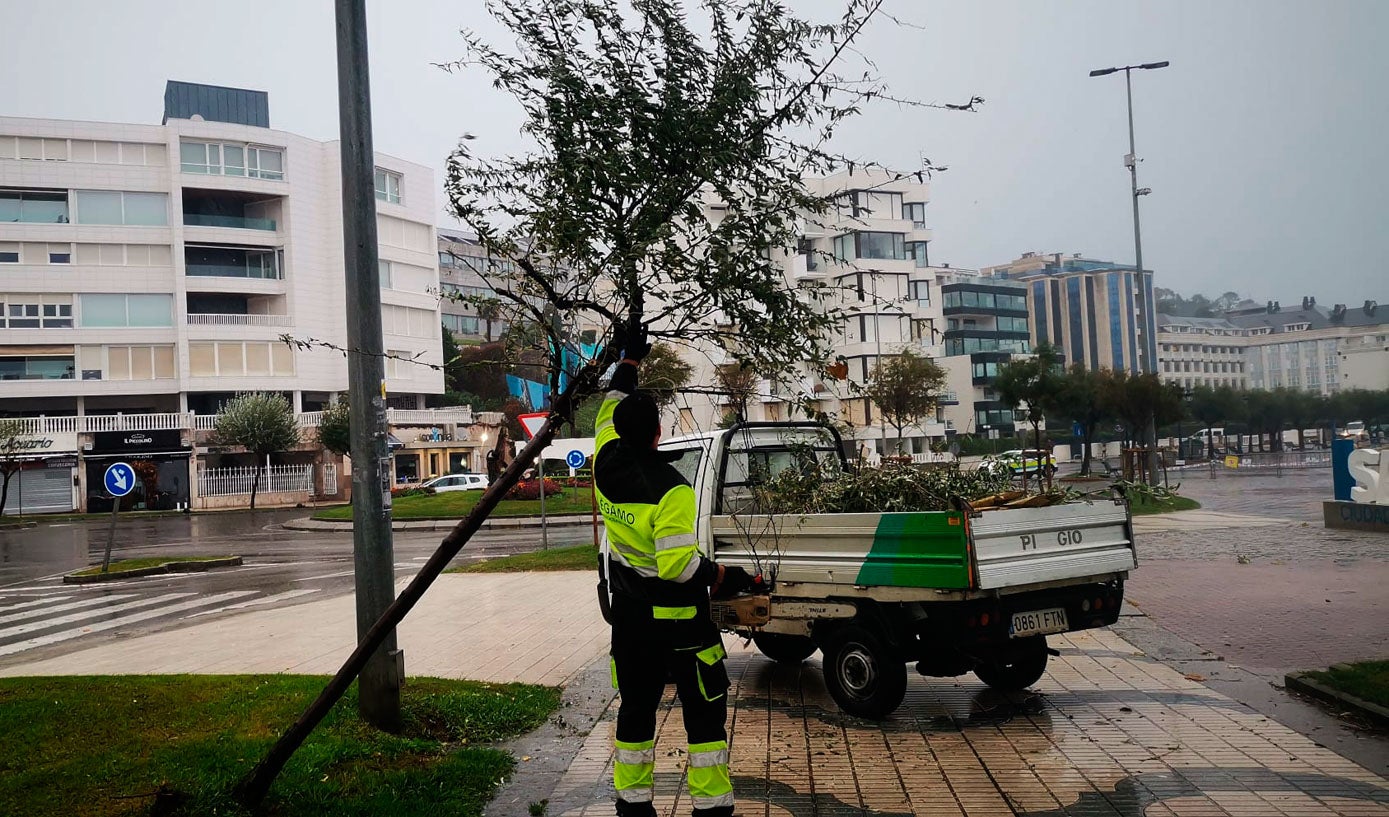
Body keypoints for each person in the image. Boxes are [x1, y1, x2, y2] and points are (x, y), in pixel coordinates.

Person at [595, 320, 759, 817]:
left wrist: (629, 361)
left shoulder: (604, 461)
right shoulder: (672, 488)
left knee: (636, 713)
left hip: (629, 623)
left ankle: (633, 804)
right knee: (704, 717)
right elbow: (678, 567)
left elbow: (608, 404)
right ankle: (711, 806)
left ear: (621, 431)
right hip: (682, 628)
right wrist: (731, 577)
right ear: (659, 433)